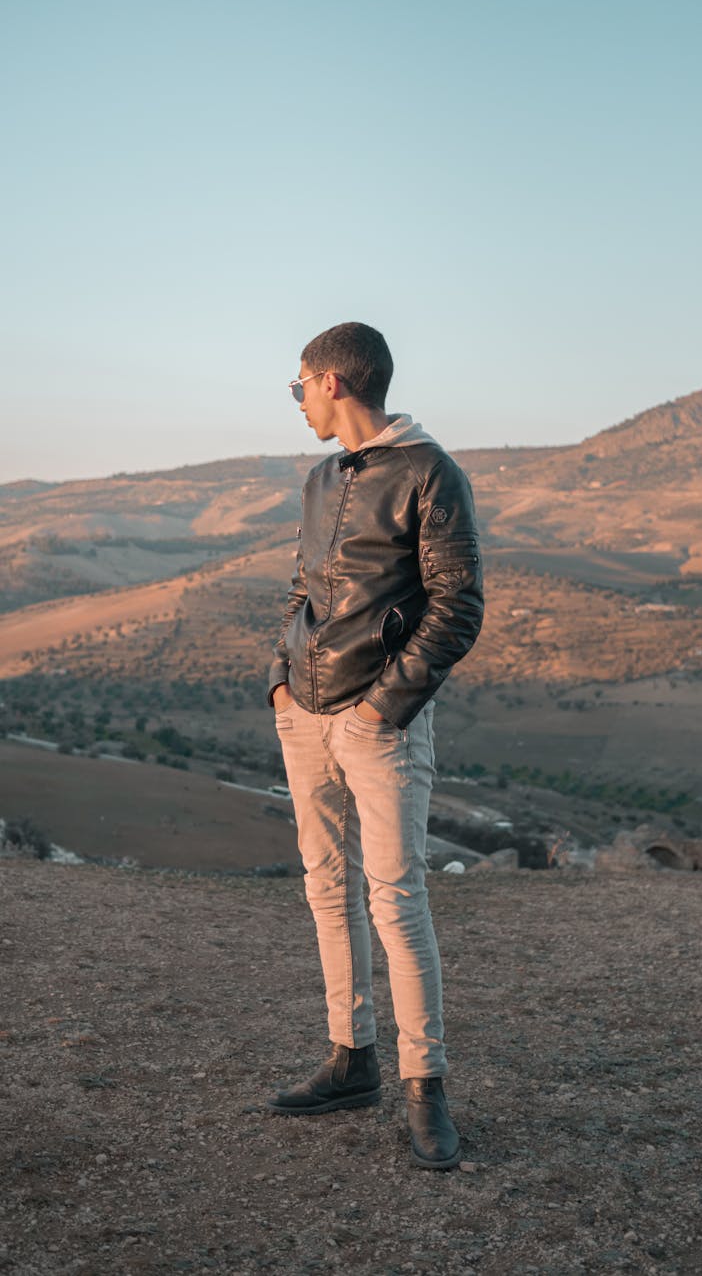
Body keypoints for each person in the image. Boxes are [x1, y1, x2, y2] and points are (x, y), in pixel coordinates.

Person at [267, 321, 483, 1169]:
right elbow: (303, 589)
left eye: (298, 387)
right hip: (305, 715)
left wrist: (380, 709)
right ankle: (350, 1059)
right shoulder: (323, 478)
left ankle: (425, 1087)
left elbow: (457, 605)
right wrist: (279, 681)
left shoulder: (431, 473)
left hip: (378, 723)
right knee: (327, 888)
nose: (297, 402)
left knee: (396, 901)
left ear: (334, 384)